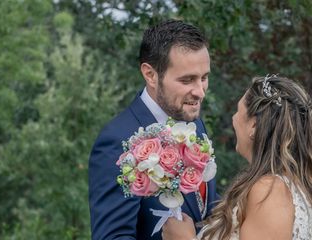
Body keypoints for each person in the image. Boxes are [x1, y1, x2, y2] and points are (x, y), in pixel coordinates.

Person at [88, 19, 220, 240]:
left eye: (204, 78)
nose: (200, 92)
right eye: (187, 80)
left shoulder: (194, 124)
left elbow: (204, 209)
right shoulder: (116, 142)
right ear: (150, 74)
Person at [162, 75, 312, 240]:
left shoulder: (270, 191)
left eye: (238, 111)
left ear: (253, 126)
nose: (233, 118)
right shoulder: (291, 183)